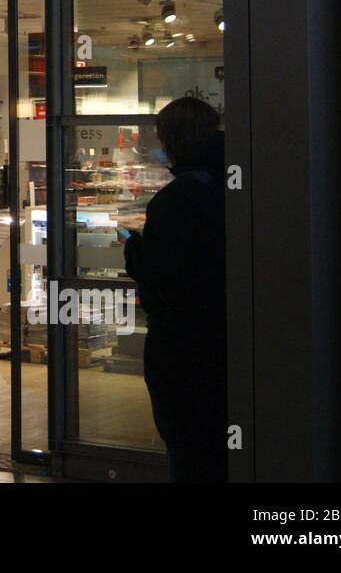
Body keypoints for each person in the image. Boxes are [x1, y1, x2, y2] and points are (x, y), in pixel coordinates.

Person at [121, 97, 226, 482]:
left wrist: (134, 249)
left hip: (182, 344)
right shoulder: (234, 183)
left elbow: (161, 275)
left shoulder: (178, 197)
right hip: (226, 337)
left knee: (186, 444)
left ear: (172, 140)